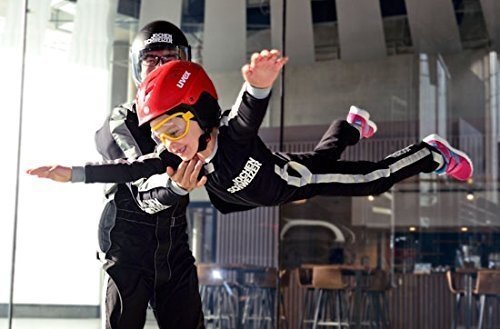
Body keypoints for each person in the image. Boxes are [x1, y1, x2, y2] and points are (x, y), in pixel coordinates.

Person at [28, 50, 473, 218]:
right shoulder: (174, 158)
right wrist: (73, 174)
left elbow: (248, 111)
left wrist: (258, 81)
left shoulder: (233, 135)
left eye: (176, 126)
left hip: (287, 182)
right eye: (160, 134)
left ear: (203, 114)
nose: (170, 142)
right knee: (322, 156)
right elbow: (127, 169)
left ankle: (429, 153)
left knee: (370, 179)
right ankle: (351, 125)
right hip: (272, 184)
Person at [81, 20, 205, 329]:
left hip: (174, 246)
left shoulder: (196, 117)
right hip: (127, 250)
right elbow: (144, 182)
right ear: (138, 68)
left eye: (171, 58)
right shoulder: (119, 123)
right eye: (152, 59)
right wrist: (175, 186)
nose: (162, 66)